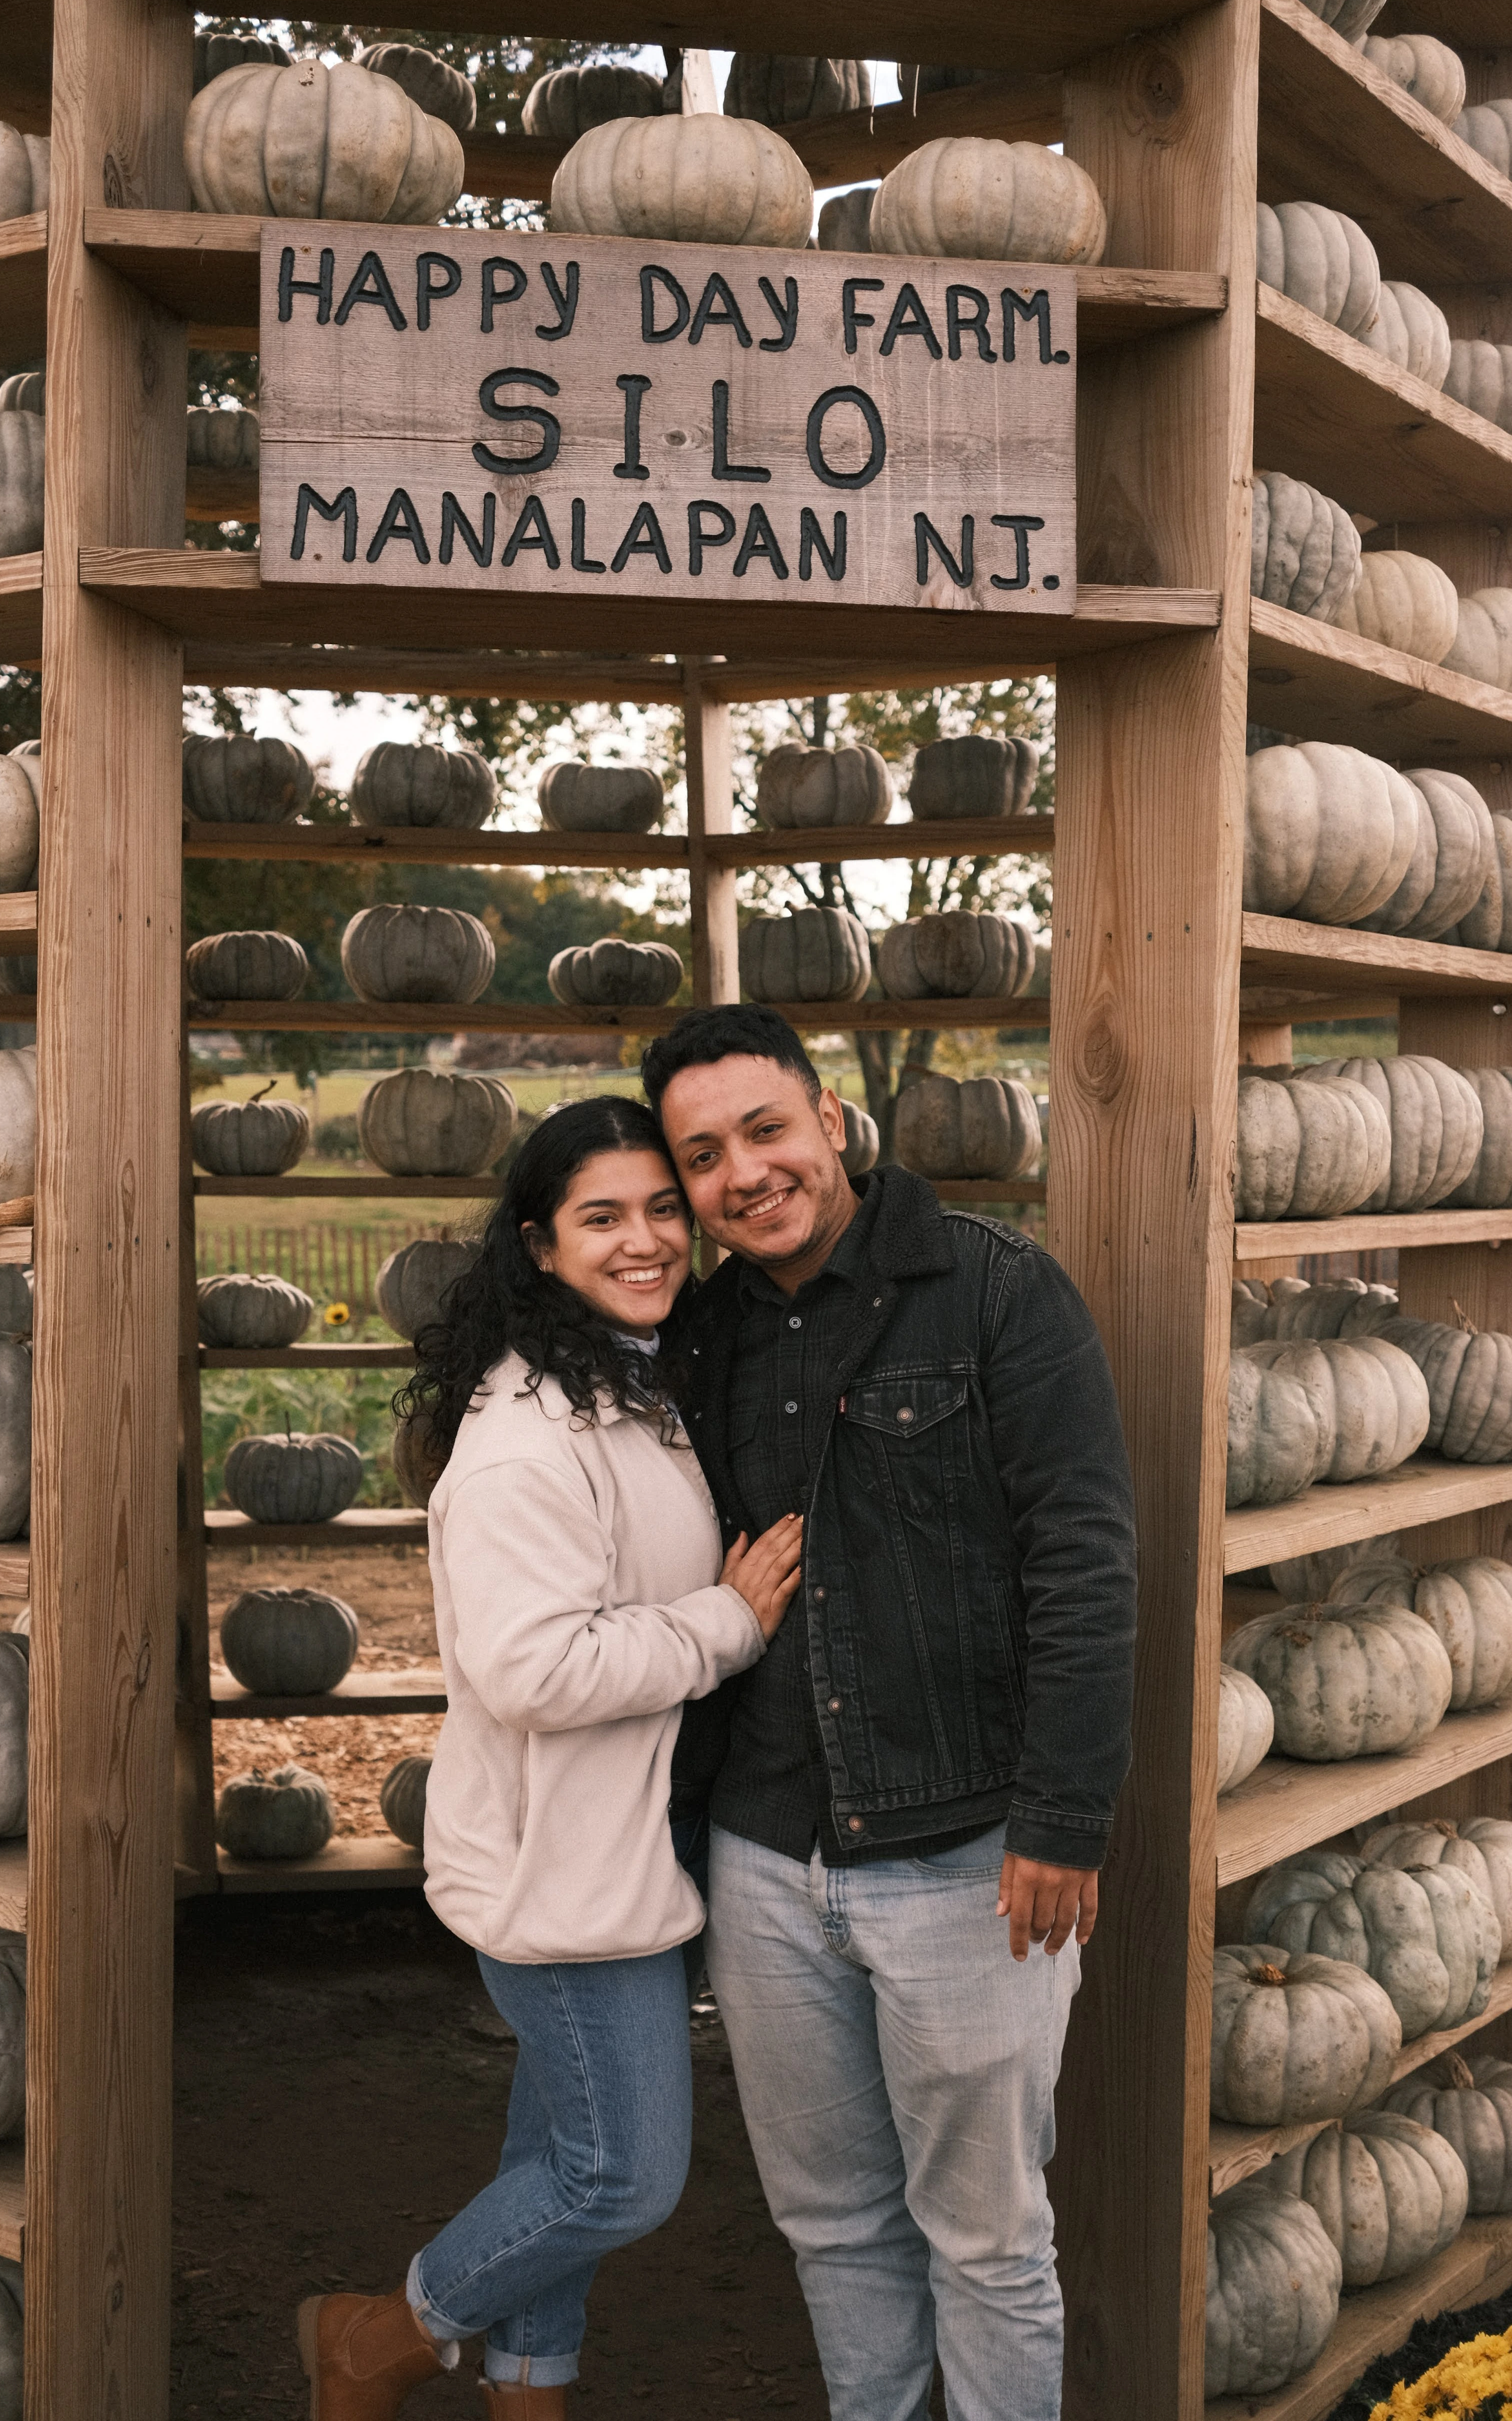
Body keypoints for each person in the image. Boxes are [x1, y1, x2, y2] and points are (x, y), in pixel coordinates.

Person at [641, 1005, 1138, 2421]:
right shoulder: (702, 1333)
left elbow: (1086, 1562)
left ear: (829, 1121)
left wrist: (1061, 1820)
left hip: (972, 1859)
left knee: (987, 2239)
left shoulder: (993, 1293)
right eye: (703, 1156)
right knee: (834, 2226)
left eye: (764, 1129)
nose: (744, 1173)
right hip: (764, 1860)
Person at [296, 1096, 803, 2421]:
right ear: (537, 1244)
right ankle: (377, 2336)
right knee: (620, 2177)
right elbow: (533, 1672)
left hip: (619, 1840)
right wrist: (726, 1627)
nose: (644, 1241)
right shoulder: (525, 1444)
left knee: (556, 2147)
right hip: (563, 1869)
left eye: (657, 1211)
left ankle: (531, 2392)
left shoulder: (625, 1383)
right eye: (601, 1219)